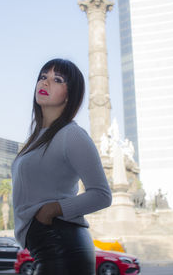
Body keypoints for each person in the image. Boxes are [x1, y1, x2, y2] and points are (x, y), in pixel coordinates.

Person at [11, 58, 112, 275]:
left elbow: (102, 194)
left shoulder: (71, 135)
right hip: (45, 246)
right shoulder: (37, 138)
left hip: (62, 246)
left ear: (69, 95)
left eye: (57, 80)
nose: (45, 83)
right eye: (42, 77)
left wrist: (53, 209)